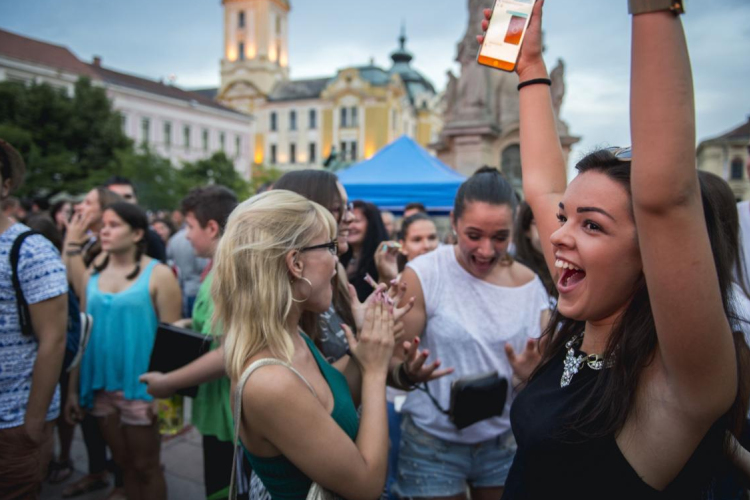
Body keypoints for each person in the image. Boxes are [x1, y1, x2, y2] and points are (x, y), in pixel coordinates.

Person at [479, 2, 749, 498]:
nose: (558, 235)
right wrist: (531, 66)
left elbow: (666, 198)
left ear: (655, 257)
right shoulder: (583, 328)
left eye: (592, 226)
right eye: (566, 218)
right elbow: (541, 188)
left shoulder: (679, 379)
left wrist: (650, 10)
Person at [217, 189, 400, 500]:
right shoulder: (270, 383)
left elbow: (329, 400)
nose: (338, 256)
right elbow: (367, 486)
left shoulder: (289, 335)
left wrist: (368, 340)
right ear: (295, 263)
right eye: (329, 246)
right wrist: (375, 372)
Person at [395, 166, 551, 499]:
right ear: (453, 222)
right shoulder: (425, 273)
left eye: (500, 237)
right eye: (474, 235)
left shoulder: (529, 285)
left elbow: (549, 369)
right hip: (432, 443)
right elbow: (392, 366)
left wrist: (531, 377)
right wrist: (408, 372)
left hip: (504, 440)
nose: (486, 250)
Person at [65, 202, 181, 500]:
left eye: (114, 225)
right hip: (101, 384)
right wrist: (73, 391)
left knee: (147, 466)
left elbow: (174, 341)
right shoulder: (93, 269)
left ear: (137, 233)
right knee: (123, 464)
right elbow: (83, 331)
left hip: (143, 388)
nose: (104, 230)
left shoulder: (159, 274)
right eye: (103, 224)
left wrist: (168, 402)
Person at [142, 185, 242, 500]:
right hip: (220, 413)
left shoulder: (225, 275)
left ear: (212, 228)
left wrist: (168, 382)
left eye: (190, 226)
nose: (185, 235)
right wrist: (190, 324)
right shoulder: (221, 268)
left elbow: (229, 351)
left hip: (228, 420)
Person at [0, 138, 68, 499]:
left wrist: (32, 424)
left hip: (11, 421)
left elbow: (54, 339)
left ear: (6, 184)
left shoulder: (30, 249)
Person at [103, 176, 167, 262]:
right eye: (116, 196)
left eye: (128, 197)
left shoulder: (151, 239)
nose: (122, 201)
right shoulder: (92, 236)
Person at [341, 200, 389, 302]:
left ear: (371, 226)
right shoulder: (341, 256)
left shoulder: (382, 259)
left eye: (357, 221)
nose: (350, 226)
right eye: (348, 221)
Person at [513, 201, 557, 303]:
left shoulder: (569, 270)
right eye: (543, 223)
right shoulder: (518, 274)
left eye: (561, 221)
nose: (554, 231)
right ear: (526, 229)